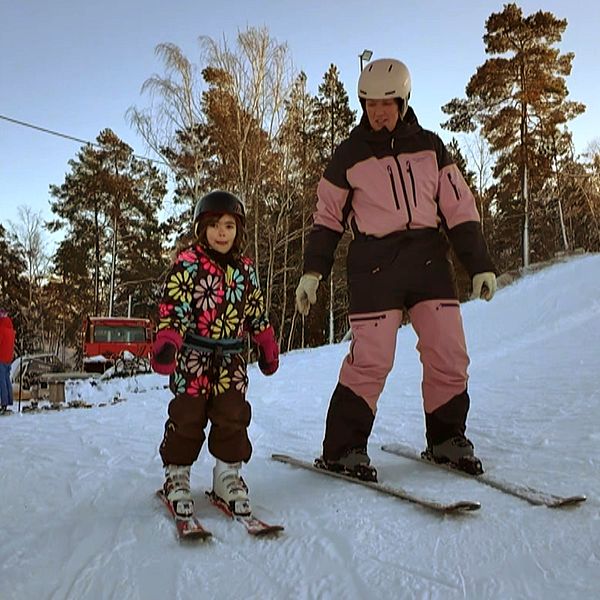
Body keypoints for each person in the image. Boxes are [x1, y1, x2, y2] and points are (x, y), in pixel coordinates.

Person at [295, 58, 496, 481]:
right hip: (374, 266)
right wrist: (313, 273)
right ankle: (344, 449)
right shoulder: (348, 155)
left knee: (448, 351)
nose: (379, 111)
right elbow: (327, 218)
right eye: (370, 103)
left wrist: (478, 264)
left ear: (404, 102)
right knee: (372, 359)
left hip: (428, 261)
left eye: (388, 103)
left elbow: (459, 206)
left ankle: (447, 439)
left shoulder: (431, 146)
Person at [152, 190, 279, 518]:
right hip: (193, 355)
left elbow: (254, 309)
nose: (222, 233)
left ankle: (227, 475)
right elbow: (175, 306)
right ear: (201, 229)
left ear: (238, 231)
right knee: (187, 415)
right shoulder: (188, 263)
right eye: (214, 225)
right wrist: (168, 340)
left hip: (231, 359)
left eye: (229, 226)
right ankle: (176, 475)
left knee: (232, 416)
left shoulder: (244, 270)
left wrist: (265, 340)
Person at [0, 308, 16, 414]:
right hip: (8, 358)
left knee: (2, 381)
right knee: (7, 380)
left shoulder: (1, 328)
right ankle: (9, 400)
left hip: (1, 357)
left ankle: (4, 403)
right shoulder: (11, 329)